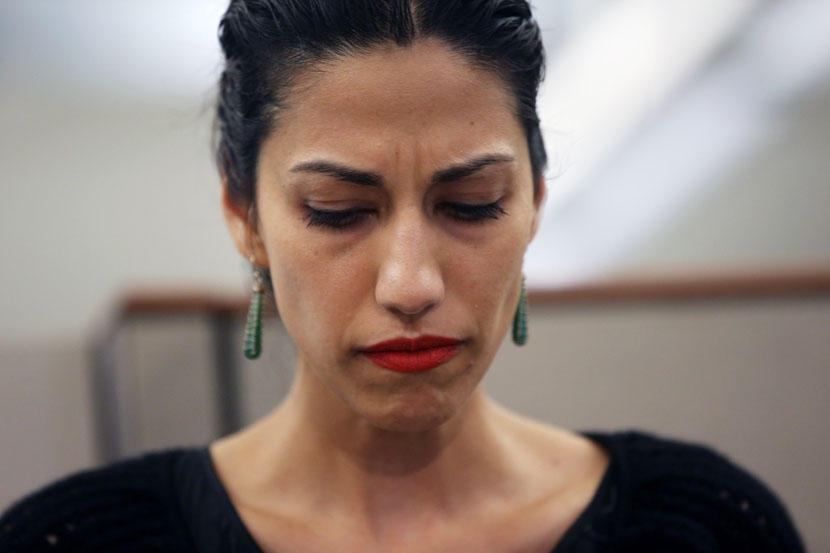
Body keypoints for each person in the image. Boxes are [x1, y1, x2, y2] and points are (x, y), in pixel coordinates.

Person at [0, 1, 805, 552]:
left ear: (534, 202)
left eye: (471, 202)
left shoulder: (702, 525)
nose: (410, 283)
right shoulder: (75, 539)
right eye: (337, 210)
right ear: (244, 214)